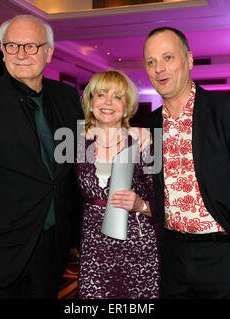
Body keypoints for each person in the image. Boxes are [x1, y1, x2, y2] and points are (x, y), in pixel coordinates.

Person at [0, 15, 83, 298]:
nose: (21, 55)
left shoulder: (68, 98)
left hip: (52, 246)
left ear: (48, 53)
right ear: (4, 51)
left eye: (31, 46)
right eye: (12, 46)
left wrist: (134, 138)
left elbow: (79, 159)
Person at [143, 27, 230, 298]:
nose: (159, 68)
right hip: (173, 260)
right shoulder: (151, 125)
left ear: (190, 60)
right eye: (151, 62)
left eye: (168, 57)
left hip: (228, 256)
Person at [74, 70, 160, 298]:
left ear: (127, 105)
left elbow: (164, 204)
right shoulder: (76, 143)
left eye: (118, 97)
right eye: (101, 95)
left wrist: (141, 205)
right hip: (94, 249)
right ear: (91, 102)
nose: (108, 102)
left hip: (138, 248)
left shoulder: (144, 144)